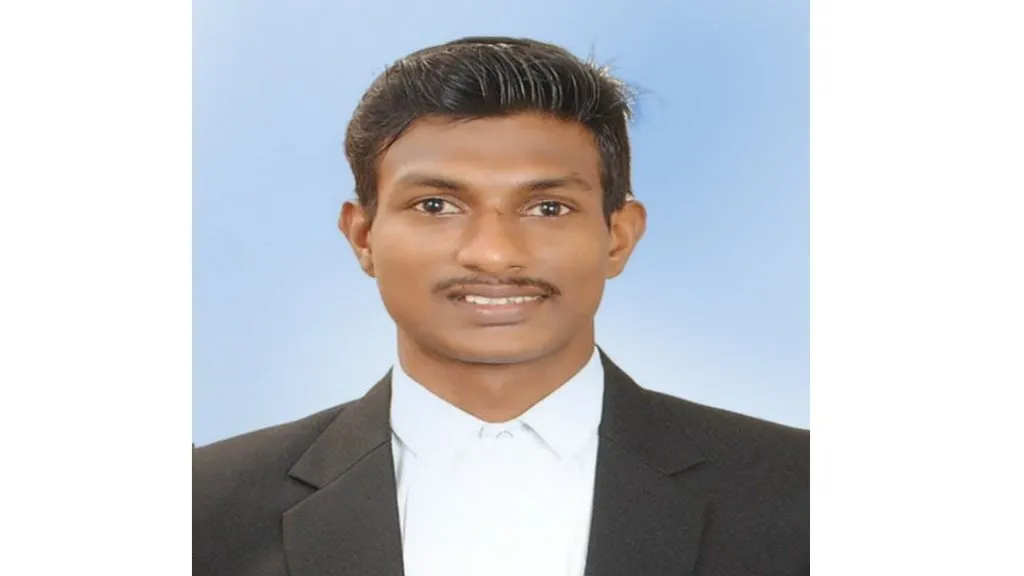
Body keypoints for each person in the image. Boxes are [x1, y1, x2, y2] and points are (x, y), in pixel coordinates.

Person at [193, 36, 809, 576]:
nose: (493, 253)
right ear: (363, 237)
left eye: (548, 208)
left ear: (618, 237)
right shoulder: (202, 506)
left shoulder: (801, 492)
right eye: (436, 206)